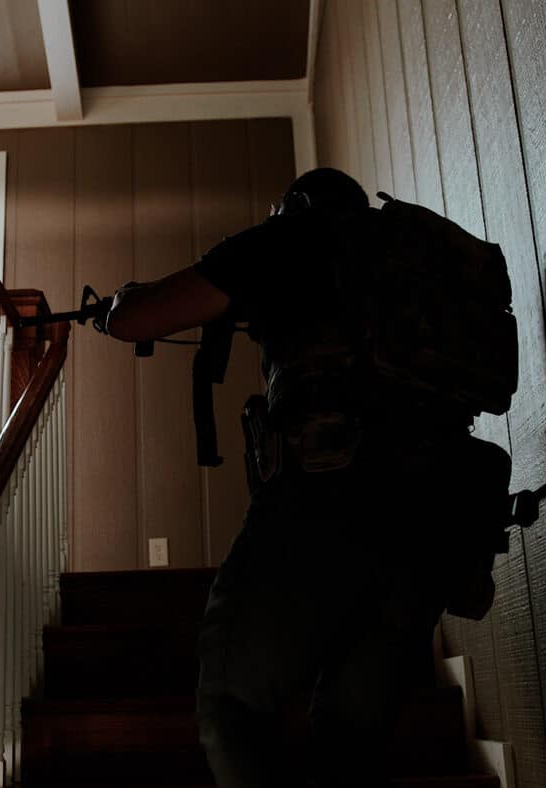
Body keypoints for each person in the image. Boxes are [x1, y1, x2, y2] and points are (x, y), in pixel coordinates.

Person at [104, 168, 517, 788]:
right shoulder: (410, 257)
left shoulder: (288, 239)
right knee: (347, 749)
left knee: (231, 703)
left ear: (294, 206)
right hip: (439, 522)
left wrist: (115, 303)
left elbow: (137, 319)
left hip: (334, 494)